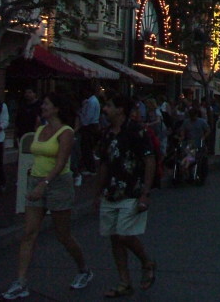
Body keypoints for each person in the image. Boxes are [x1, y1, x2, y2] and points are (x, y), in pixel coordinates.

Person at [2, 94, 93, 300]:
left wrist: (45, 184)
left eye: (46, 104)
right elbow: (35, 153)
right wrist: (34, 177)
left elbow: (61, 162)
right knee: (29, 233)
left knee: (63, 235)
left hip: (57, 184)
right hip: (36, 180)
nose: (42, 107)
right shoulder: (40, 129)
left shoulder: (66, 132)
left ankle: (84, 269)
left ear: (57, 108)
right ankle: (21, 281)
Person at [94, 95, 157, 297]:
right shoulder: (106, 134)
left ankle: (146, 261)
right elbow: (104, 163)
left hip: (132, 190)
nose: (104, 109)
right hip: (111, 192)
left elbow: (149, 160)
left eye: (109, 105)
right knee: (115, 238)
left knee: (124, 235)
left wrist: (146, 193)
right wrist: (98, 192)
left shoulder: (136, 130)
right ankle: (124, 281)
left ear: (120, 109)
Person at [78, 86, 102, 176]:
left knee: (87, 147)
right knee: (87, 148)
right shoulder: (92, 101)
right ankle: (88, 166)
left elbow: (88, 117)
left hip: (89, 126)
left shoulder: (91, 102)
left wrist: (82, 121)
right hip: (91, 125)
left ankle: (91, 168)